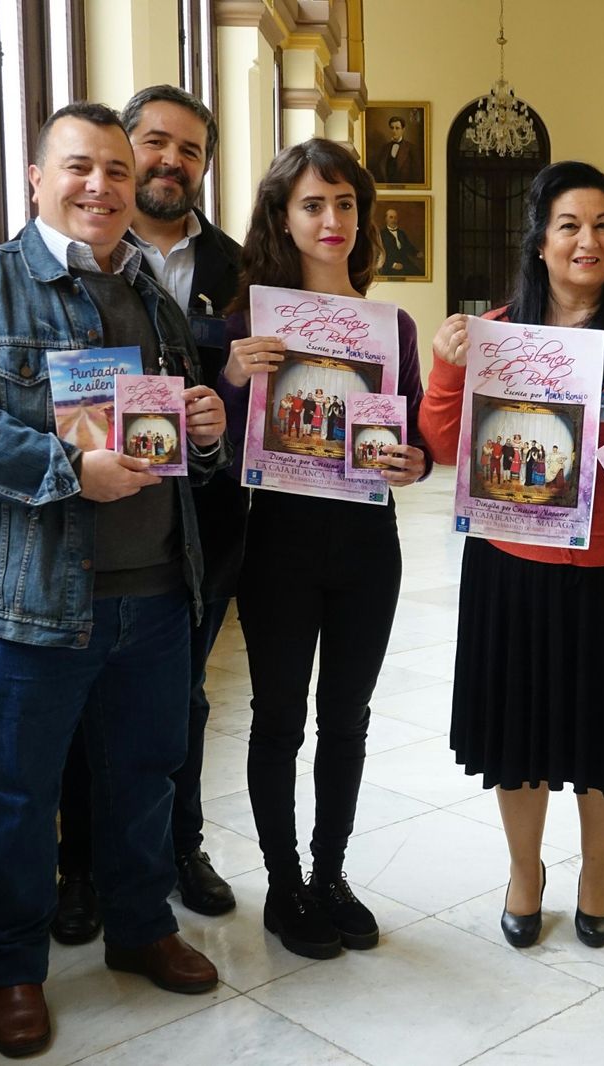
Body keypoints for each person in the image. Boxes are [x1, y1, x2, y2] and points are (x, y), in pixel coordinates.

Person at [0, 102, 226, 1058]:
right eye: (80, 167)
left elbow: (167, 448)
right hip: (26, 606)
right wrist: (65, 469)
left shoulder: (157, 299)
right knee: (16, 794)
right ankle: (13, 968)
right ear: (35, 180)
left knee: (144, 777)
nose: (102, 186)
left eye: (118, 172)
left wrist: (202, 432)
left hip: (157, 596)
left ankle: (138, 927)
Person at [420, 161, 604, 950]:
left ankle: (597, 869)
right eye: (570, 225)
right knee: (516, 737)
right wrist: (450, 366)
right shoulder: (497, 330)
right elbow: (445, 443)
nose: (588, 241)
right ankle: (526, 871)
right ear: (541, 239)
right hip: (512, 568)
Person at [216, 138, 431, 960]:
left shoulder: (392, 326)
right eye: (313, 204)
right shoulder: (246, 326)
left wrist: (415, 461)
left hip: (367, 539)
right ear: (282, 216)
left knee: (348, 719)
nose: (332, 219)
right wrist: (234, 376)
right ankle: (282, 885)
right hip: (278, 538)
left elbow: (408, 434)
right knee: (278, 719)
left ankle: (331, 874)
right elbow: (220, 448)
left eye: (345, 204)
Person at [49, 86, 244, 950]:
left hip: (200, 526)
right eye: (154, 144)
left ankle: (179, 851)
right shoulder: (76, 263)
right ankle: (81, 869)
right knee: (83, 710)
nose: (171, 161)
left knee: (179, 704)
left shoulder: (242, 266)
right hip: (83, 522)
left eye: (190, 149)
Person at [369, 115, 422, 185]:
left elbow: (417, 175)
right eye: (392, 128)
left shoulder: (411, 148)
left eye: (397, 128)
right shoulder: (384, 148)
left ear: (403, 130)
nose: (394, 131)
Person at [377, 207, 424, 277]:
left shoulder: (401, 233)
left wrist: (416, 253)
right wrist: (393, 265)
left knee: (419, 274)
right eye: (391, 217)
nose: (393, 220)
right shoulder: (381, 235)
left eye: (395, 218)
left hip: (404, 262)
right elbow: (378, 255)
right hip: (389, 266)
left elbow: (408, 246)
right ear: (386, 219)